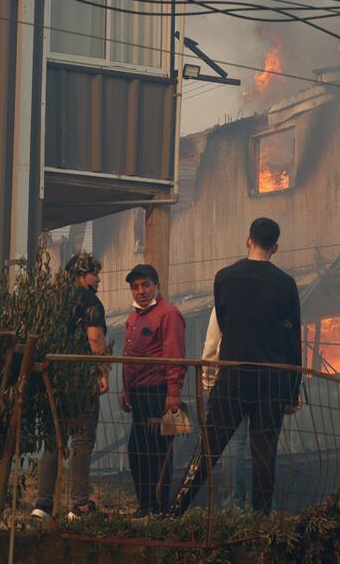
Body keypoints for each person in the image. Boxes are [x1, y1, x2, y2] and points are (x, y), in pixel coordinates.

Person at [170, 218, 301, 515]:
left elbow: (223, 325)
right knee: (264, 451)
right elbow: (293, 340)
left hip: (233, 376)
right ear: (276, 247)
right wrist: (293, 392)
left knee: (209, 447)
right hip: (272, 379)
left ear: (248, 240)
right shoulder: (286, 284)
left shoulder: (224, 279)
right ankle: (260, 517)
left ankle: (175, 510)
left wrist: (210, 377)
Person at [31, 252, 108, 521]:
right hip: (81, 379)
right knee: (82, 440)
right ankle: (79, 505)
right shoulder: (90, 301)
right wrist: (102, 372)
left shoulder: (50, 299)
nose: (98, 280)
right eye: (95, 274)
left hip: (52, 379)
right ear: (82, 275)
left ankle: (42, 505)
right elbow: (95, 339)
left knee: (54, 440)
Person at [118, 264, 186, 517]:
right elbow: (129, 358)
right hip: (138, 393)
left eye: (145, 285)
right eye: (135, 287)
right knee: (138, 450)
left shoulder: (169, 314)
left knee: (157, 451)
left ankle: (158, 507)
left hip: (158, 391)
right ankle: (145, 505)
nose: (141, 291)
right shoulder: (133, 318)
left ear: (156, 285)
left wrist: (173, 393)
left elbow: (175, 355)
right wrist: (125, 390)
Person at [200, 305, 250, 509]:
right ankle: (264, 506)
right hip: (266, 380)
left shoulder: (224, 301)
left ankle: (232, 506)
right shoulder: (270, 297)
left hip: (231, 380)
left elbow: (212, 346)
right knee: (264, 445)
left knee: (234, 443)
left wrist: (208, 381)